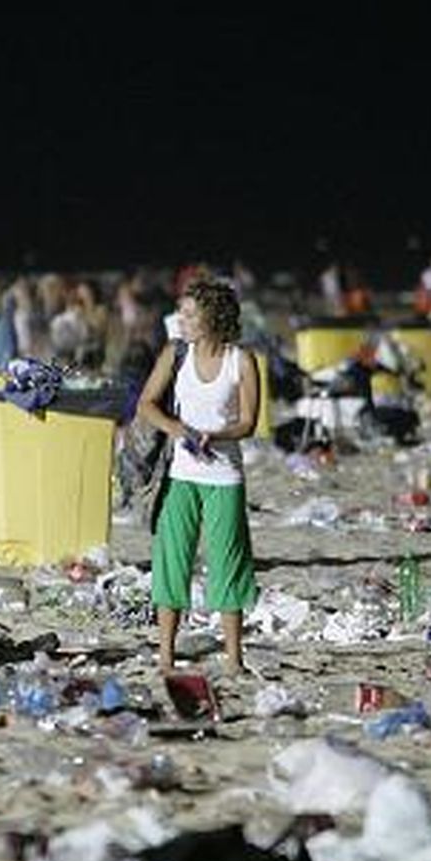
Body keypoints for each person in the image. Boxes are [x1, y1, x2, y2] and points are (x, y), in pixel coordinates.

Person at [135, 278, 260, 677]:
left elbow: (247, 422)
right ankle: (166, 657)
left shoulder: (241, 361)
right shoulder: (175, 353)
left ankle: (234, 659)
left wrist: (214, 436)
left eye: (190, 314)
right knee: (172, 561)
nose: (182, 320)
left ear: (213, 317)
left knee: (228, 563)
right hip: (180, 474)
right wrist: (179, 431)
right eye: (182, 312)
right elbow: (146, 404)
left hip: (225, 475)